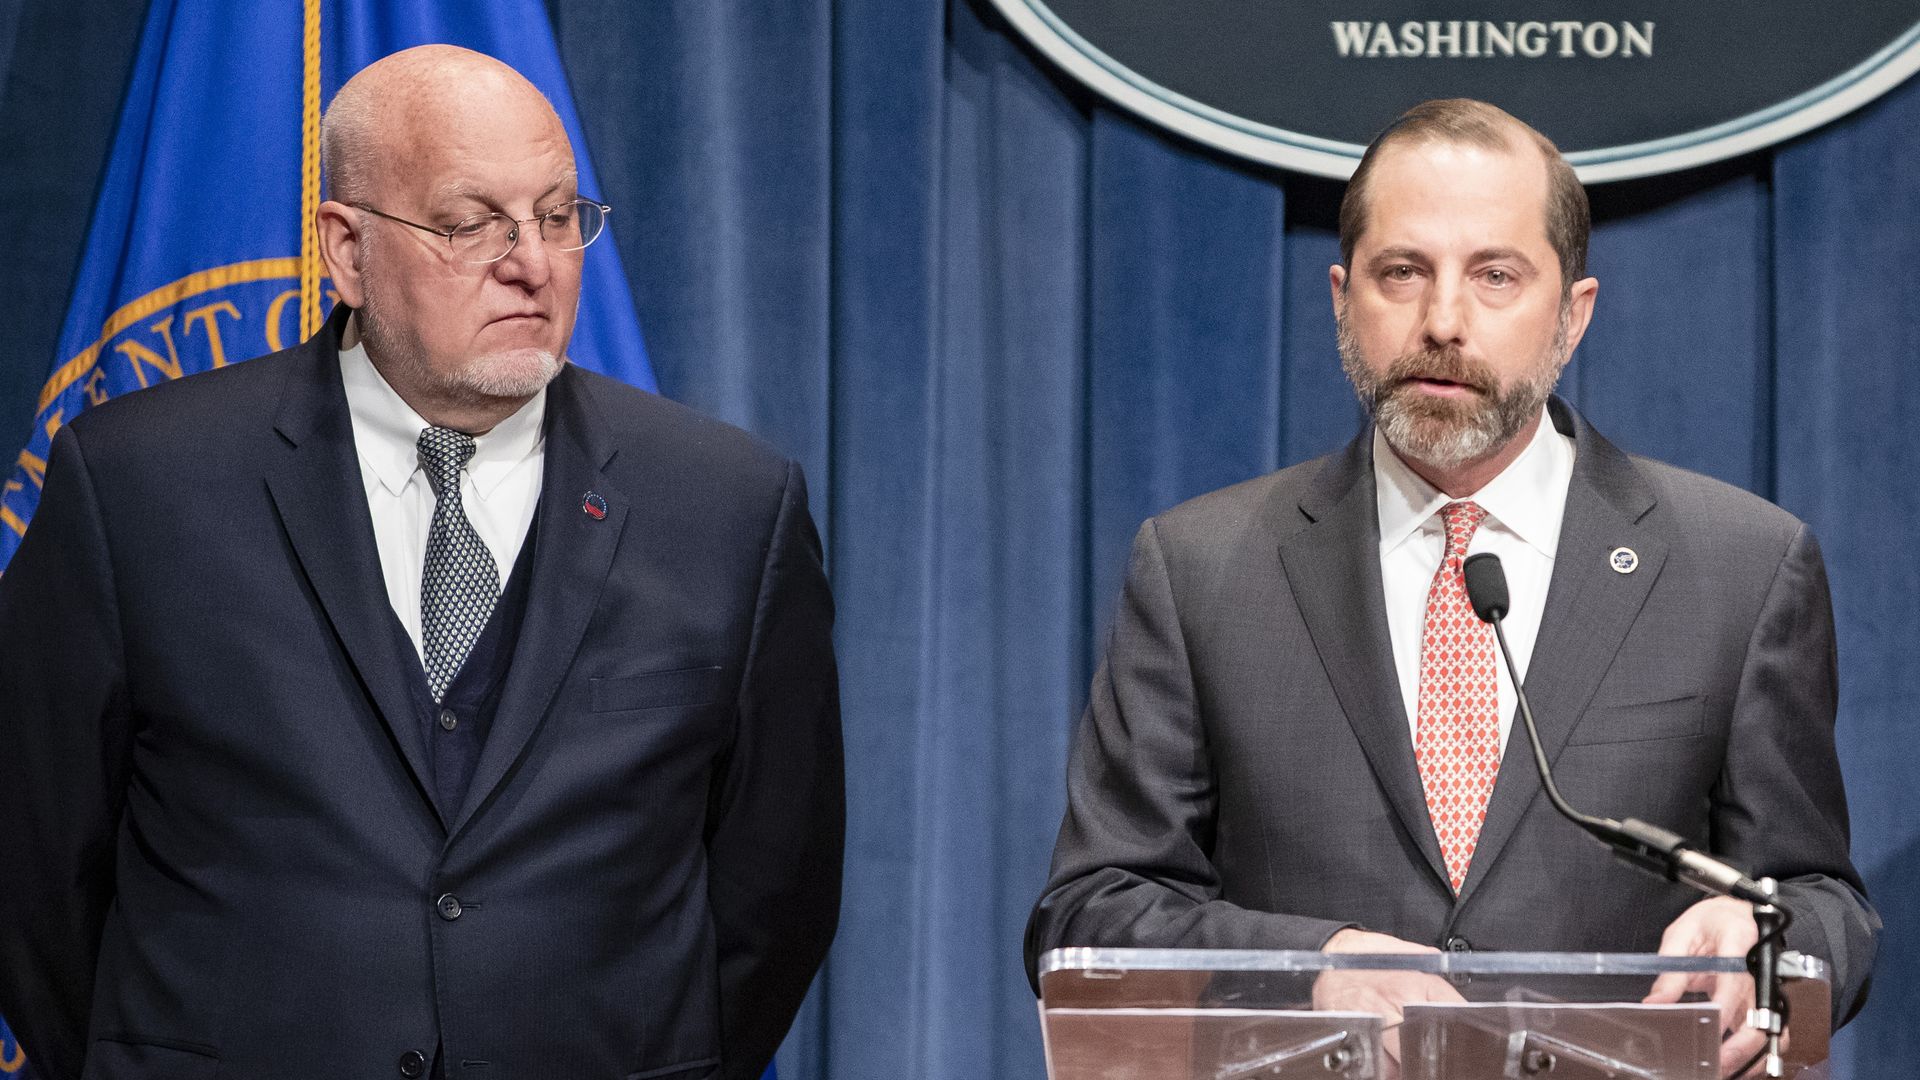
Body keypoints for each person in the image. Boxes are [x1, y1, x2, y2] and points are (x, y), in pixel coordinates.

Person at [0, 45, 841, 1080]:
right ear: (346, 251)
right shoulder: (135, 487)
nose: (532, 261)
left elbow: (774, 898)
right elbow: (32, 868)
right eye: (470, 223)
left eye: (558, 214)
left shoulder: (729, 508)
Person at [1025, 99, 1877, 1075]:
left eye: (1495, 276)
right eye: (1403, 272)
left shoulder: (1742, 566)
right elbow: (1090, 920)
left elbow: (1823, 906)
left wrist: (1763, 947)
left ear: (1574, 313)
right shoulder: (1202, 567)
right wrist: (1312, 966)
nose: (1443, 321)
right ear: (1343, 298)